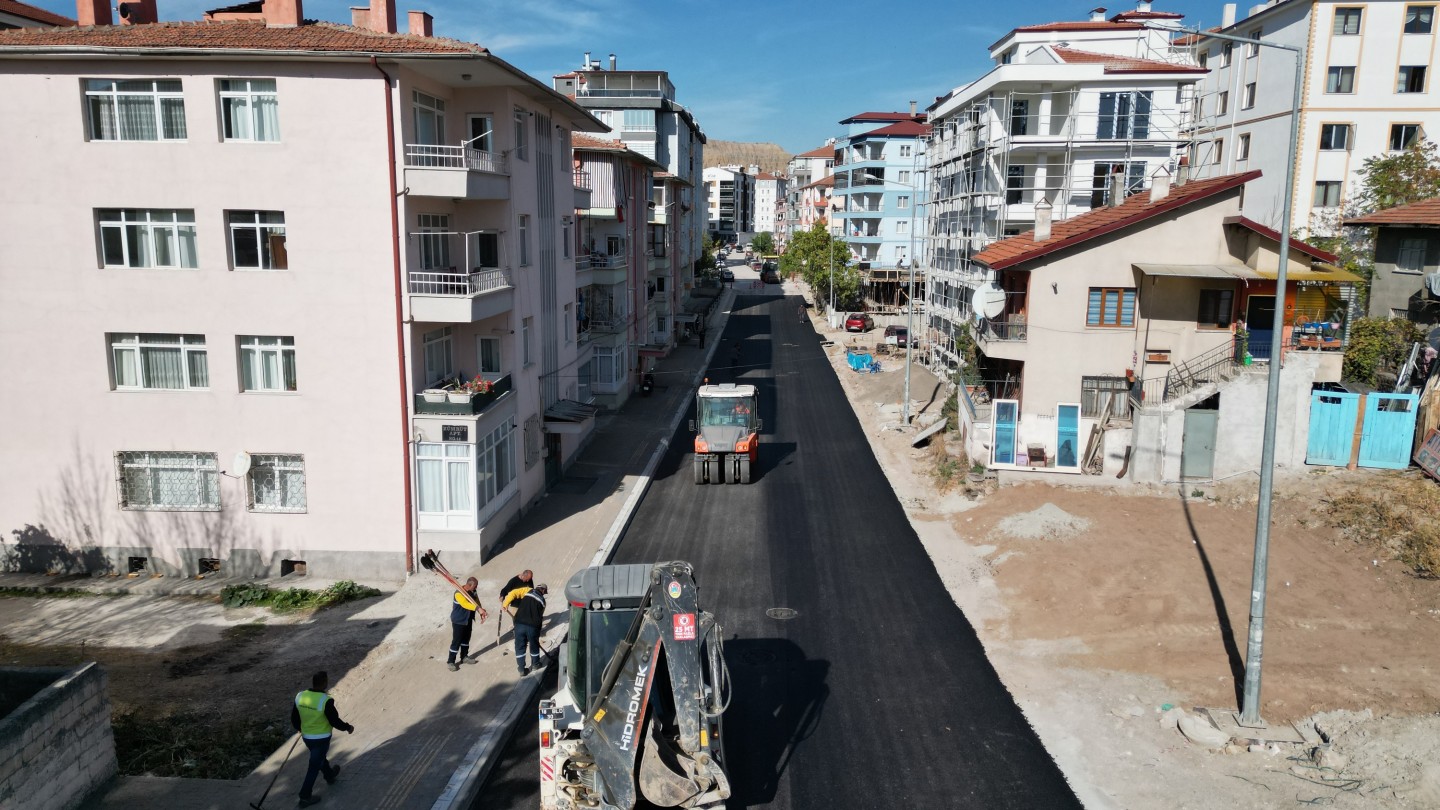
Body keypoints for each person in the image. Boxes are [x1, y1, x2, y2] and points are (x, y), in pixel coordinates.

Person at [291, 671, 354, 807]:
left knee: (319, 758)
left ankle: (329, 775)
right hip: (321, 739)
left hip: (307, 738)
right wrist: (348, 727)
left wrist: (299, 728)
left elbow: (294, 718)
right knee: (314, 765)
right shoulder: (325, 700)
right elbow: (334, 721)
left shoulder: (300, 696)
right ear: (324, 682)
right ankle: (304, 797)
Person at [447, 577, 487, 671]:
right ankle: (451, 661)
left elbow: (476, 601)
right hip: (459, 620)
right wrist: (478, 609)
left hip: (468, 619)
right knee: (457, 641)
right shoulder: (458, 593)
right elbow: (465, 604)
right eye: (475, 586)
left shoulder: (473, 591)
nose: (476, 588)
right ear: (469, 585)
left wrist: (481, 611)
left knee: (466, 639)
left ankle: (464, 657)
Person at [508, 583, 548, 675]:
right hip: (532, 626)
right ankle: (535, 664)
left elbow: (514, 593)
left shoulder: (527, 593)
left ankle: (521, 669)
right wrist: (538, 630)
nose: (544, 594)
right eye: (545, 592)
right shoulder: (542, 601)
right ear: (542, 590)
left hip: (519, 624)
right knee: (534, 645)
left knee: (520, 646)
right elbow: (540, 615)